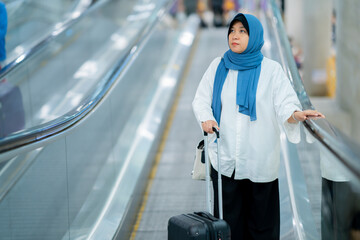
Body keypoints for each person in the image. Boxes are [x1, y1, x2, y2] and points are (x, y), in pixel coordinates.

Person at [192, 13, 325, 239]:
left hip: (259, 160)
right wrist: (207, 118)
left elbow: (285, 103)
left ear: (254, 36)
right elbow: (201, 99)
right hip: (225, 160)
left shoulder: (271, 71)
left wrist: (296, 114)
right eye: (232, 31)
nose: (235, 36)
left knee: (262, 226)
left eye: (243, 31)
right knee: (228, 225)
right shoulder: (218, 66)